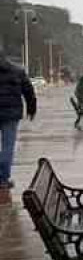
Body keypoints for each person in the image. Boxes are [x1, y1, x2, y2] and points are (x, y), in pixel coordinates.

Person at [0, 55, 38, 190]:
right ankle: (3, 179)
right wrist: (31, 109)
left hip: (10, 113)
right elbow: (29, 92)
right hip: (11, 114)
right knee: (8, 147)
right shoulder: (17, 71)